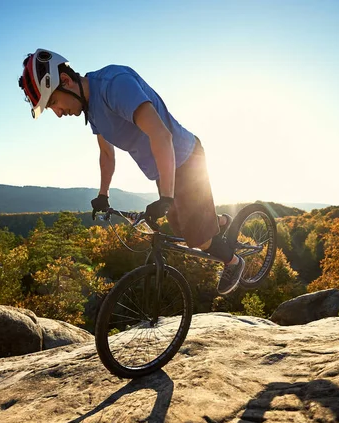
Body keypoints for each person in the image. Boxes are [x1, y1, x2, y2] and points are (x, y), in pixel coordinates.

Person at [18, 49, 244, 294]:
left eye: (53, 103)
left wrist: (166, 198)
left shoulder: (115, 86)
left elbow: (161, 134)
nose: (59, 113)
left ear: (65, 82)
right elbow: (106, 154)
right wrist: (103, 194)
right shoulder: (91, 109)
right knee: (180, 227)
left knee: (199, 240)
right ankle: (219, 221)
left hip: (186, 159)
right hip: (164, 169)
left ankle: (233, 262)